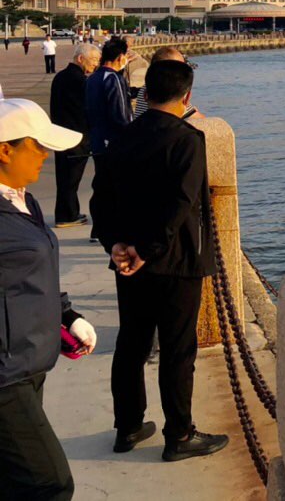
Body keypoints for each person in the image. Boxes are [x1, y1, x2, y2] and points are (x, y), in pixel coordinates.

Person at [89, 61, 228, 462]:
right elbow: (182, 203)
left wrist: (117, 244)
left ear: (145, 94)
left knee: (132, 343)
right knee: (177, 349)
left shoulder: (122, 138)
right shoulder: (188, 139)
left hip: (128, 258)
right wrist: (147, 249)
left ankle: (128, 425)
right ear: (187, 96)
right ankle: (179, 434)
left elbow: (100, 198)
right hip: (176, 260)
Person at [0, 99, 98, 500]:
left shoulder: (23, 200)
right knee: (51, 483)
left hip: (29, 363)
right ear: (5, 150)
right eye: (37, 146)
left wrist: (67, 316)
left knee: (16, 484)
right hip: (5, 376)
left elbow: (30, 275)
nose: (45, 154)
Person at [49, 43, 101, 228]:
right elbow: (87, 108)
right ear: (80, 58)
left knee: (65, 178)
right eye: (93, 59)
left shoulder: (61, 76)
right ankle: (67, 216)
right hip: (75, 136)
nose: (95, 64)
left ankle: (67, 213)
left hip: (61, 133)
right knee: (70, 179)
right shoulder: (78, 80)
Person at [84, 38, 133, 173]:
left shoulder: (92, 78)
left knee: (101, 178)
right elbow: (121, 114)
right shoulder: (114, 78)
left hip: (97, 139)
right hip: (113, 142)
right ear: (121, 57)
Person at [133, 47, 200, 119]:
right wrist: (192, 111)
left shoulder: (147, 87)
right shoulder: (170, 90)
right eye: (180, 67)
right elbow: (199, 118)